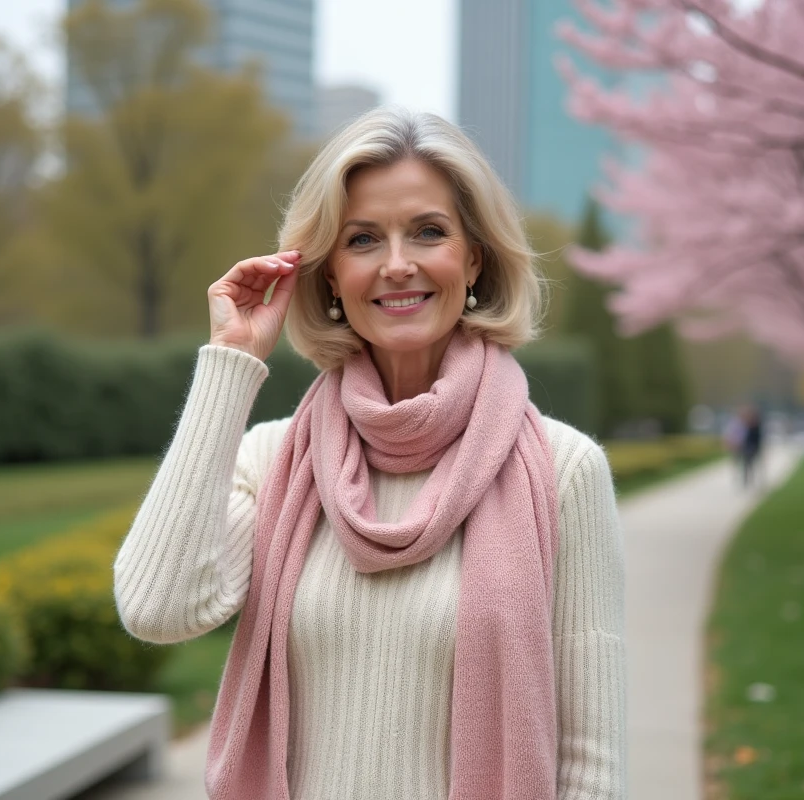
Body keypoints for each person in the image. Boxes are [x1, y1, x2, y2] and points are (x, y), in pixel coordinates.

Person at [112, 107, 627, 800]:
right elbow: (158, 608)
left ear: (474, 257)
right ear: (328, 275)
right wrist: (230, 364)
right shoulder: (273, 460)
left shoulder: (565, 471)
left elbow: (591, 765)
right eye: (362, 239)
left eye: (428, 231)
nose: (397, 264)